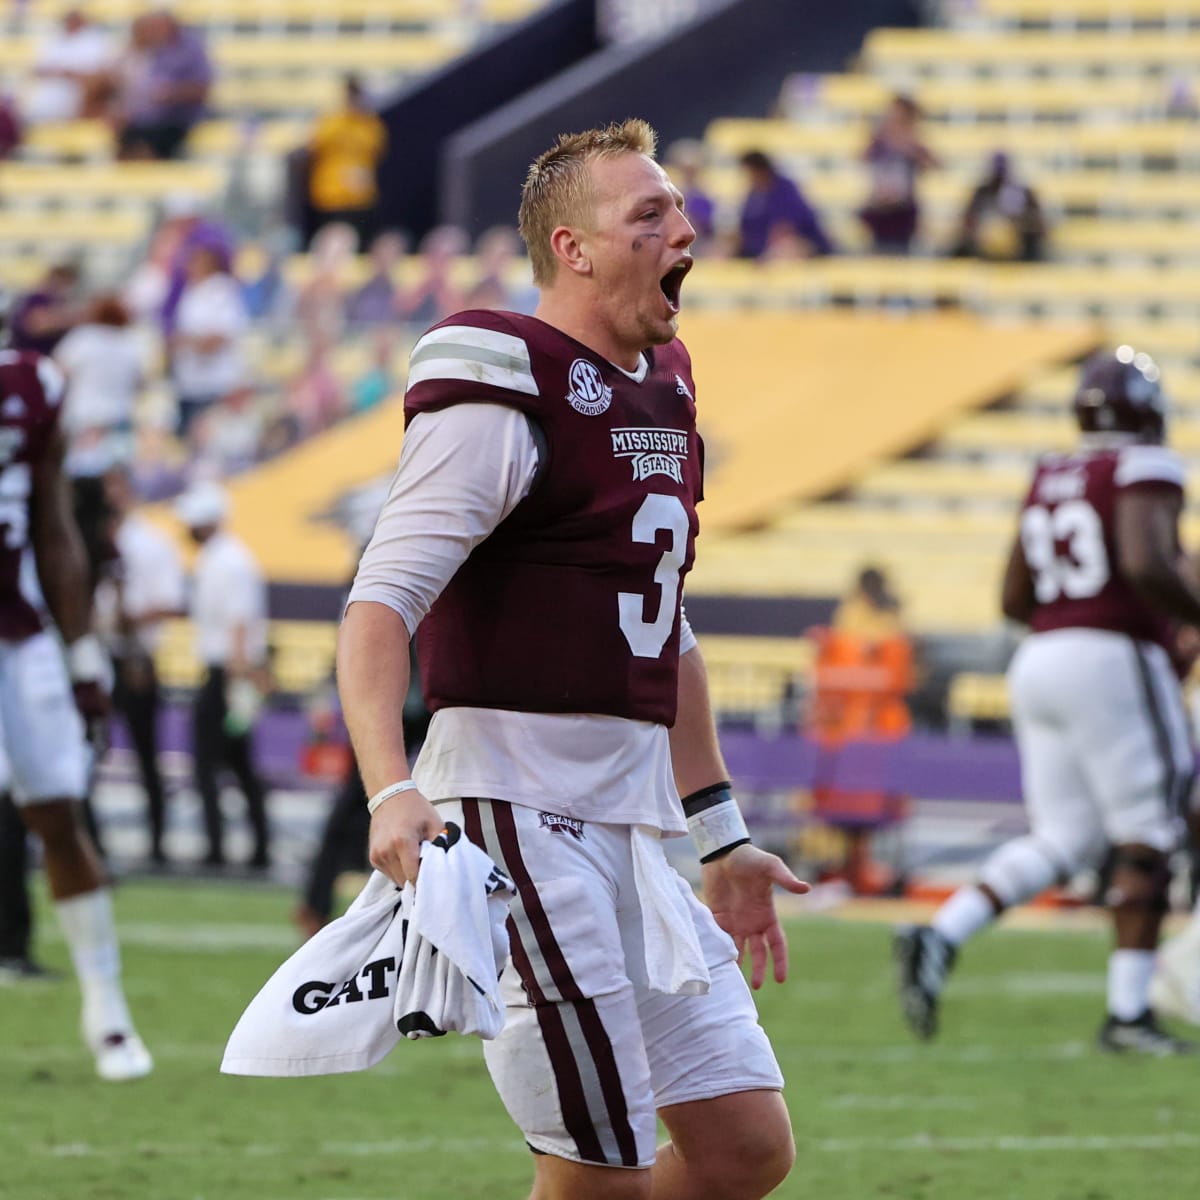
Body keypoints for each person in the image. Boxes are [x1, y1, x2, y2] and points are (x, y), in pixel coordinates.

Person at [339, 119, 807, 1199]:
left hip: (631, 818)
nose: (683, 230)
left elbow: (664, 625)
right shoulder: (504, 371)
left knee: (743, 1148)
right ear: (572, 249)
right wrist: (390, 787)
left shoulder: (668, 384)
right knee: (606, 1170)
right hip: (513, 809)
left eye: (681, 210)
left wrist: (722, 833)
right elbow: (379, 603)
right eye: (649, 214)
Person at [896, 347, 1200, 1055]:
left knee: (1066, 838)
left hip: (1040, 657)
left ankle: (941, 931)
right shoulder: (1144, 466)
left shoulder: (1052, 473)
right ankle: (1129, 1014)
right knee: (1148, 832)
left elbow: (1013, 597)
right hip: (1112, 654)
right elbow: (1143, 561)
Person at [0, 347, 152, 1079]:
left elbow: (53, 524)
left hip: (16, 629)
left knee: (58, 809)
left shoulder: (33, 385)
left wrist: (84, 658)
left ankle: (107, 1009)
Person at [176, 481, 271, 869]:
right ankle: (255, 845)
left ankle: (221, 847)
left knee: (215, 764)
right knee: (237, 764)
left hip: (227, 674)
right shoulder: (224, 558)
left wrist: (237, 682)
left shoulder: (227, 561)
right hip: (229, 673)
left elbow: (238, 624)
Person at [98, 465, 186, 864]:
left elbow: (172, 602)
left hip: (136, 656)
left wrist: (133, 619)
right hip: (97, 653)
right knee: (86, 751)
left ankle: (158, 841)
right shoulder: (91, 537)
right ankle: (88, 839)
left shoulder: (150, 541)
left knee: (147, 753)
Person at [53, 293, 145, 474]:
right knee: (115, 477)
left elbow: (57, 372)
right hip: (118, 417)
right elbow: (139, 381)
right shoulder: (130, 343)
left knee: (79, 478)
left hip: (84, 417)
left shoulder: (84, 338)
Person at [170, 240, 249, 442]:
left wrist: (188, 342)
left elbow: (217, 340)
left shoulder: (221, 291)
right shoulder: (191, 292)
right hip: (190, 385)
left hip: (215, 386)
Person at [114, 10, 212, 161]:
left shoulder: (191, 50)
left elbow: (201, 89)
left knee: (147, 144)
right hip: (149, 117)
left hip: (177, 118)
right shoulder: (155, 48)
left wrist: (172, 93)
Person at [306, 75, 387, 250]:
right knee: (331, 242)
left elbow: (377, 149)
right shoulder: (331, 121)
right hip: (331, 194)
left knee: (359, 243)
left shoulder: (369, 124)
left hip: (360, 196)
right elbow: (314, 144)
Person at [858, 93, 939, 255]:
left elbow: (933, 164)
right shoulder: (879, 139)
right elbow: (862, 158)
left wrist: (909, 148)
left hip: (903, 212)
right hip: (880, 210)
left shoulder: (913, 141)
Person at [949, 151, 1047, 263]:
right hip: (983, 248)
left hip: (1018, 251)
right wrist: (981, 229)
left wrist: (1017, 224)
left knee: (1035, 249)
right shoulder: (981, 192)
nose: (999, 180)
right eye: (997, 176)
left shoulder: (1024, 192)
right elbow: (966, 222)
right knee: (958, 250)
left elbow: (1041, 226)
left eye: (1001, 176)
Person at [22, 8, 115, 125]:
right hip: (47, 101)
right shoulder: (53, 40)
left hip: (79, 102)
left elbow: (101, 76)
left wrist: (68, 74)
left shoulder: (96, 42)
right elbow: (36, 69)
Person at [736, 149, 832, 260]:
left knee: (786, 248)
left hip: (798, 243)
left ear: (760, 170)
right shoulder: (753, 194)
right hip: (761, 248)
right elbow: (746, 226)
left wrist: (782, 233)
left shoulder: (786, 188)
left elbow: (795, 222)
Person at [8, 262, 83, 358]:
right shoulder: (37, 298)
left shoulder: (57, 301)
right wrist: (68, 320)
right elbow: (36, 326)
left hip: (42, 356)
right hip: (28, 357)